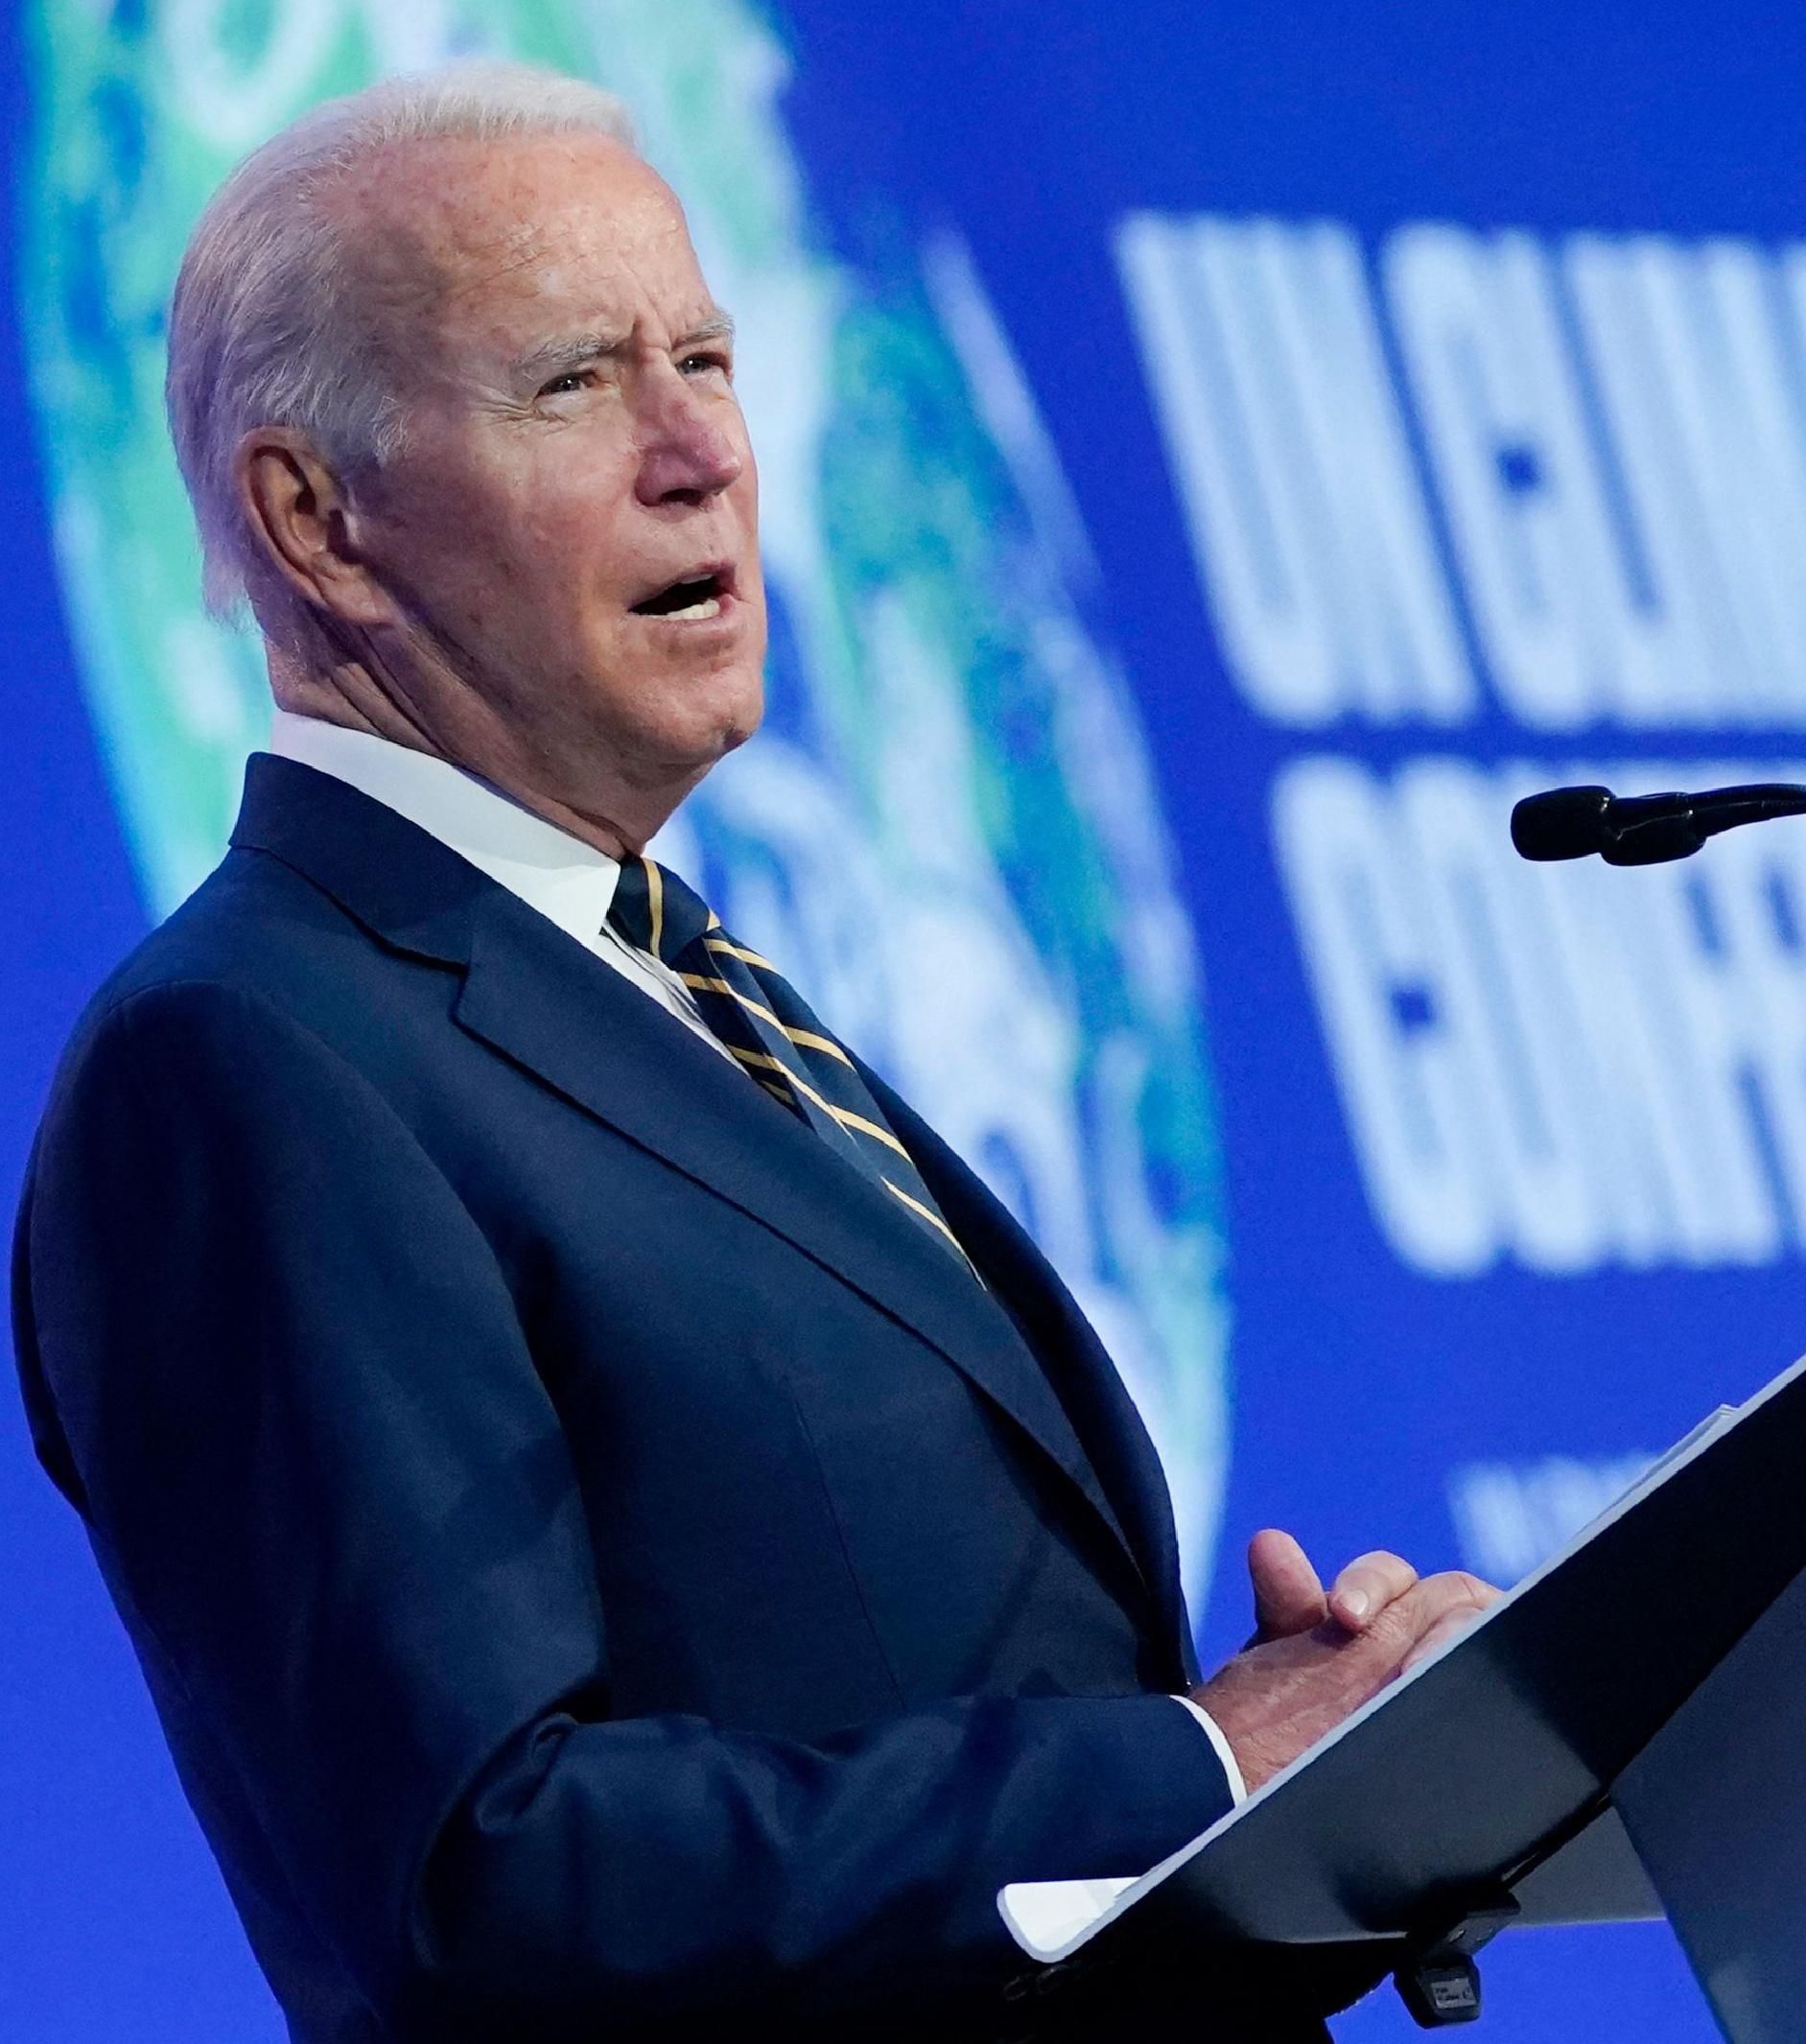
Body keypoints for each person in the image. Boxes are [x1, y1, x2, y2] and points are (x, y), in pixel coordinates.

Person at [10, 61, 1494, 2042]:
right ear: (318, 520)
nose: (706, 446)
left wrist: (1304, 1788)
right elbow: (481, 1883)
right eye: (573, 382)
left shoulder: (681, 981)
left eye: (705, 358)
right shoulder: (245, 1059)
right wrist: (1189, 1769)